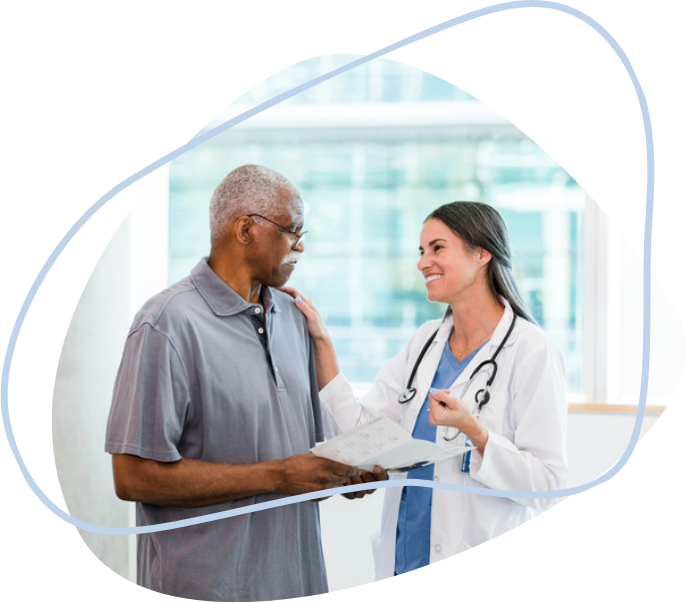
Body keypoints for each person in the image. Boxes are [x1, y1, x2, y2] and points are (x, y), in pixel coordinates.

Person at [104, 164, 387, 602]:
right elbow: (133, 477)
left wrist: (345, 476)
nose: (301, 246)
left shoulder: (295, 321)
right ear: (245, 229)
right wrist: (276, 476)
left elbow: (309, 456)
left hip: (296, 579)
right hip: (209, 587)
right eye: (293, 230)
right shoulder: (166, 324)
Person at [281, 201, 570, 580]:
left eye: (437, 248)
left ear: (482, 253)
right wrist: (321, 341)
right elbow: (361, 428)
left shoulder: (532, 351)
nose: (422, 262)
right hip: (405, 554)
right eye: (421, 251)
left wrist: (476, 433)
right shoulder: (425, 342)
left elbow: (548, 484)